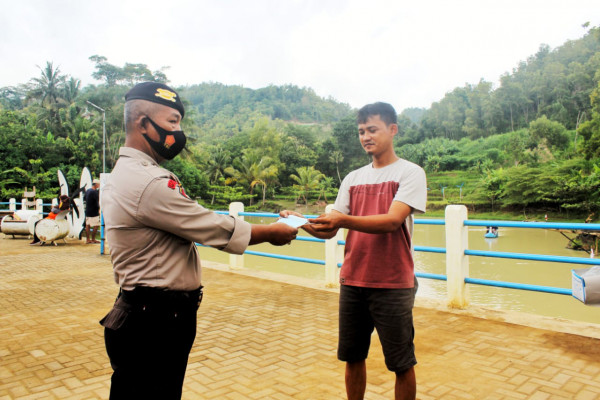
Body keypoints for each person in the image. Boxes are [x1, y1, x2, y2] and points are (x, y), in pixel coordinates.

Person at [100, 81, 298, 399]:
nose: (179, 132)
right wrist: (271, 232)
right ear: (142, 123)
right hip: (154, 321)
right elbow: (211, 227)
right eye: (172, 122)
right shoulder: (148, 181)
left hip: (143, 313)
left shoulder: (125, 173)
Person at [282, 102, 427, 400]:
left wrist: (341, 218)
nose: (365, 137)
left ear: (392, 130)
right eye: (361, 131)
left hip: (393, 283)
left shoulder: (410, 173)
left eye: (372, 129)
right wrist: (300, 223)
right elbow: (331, 230)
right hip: (353, 281)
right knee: (352, 356)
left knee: (401, 363)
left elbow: (392, 221)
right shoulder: (353, 178)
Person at [84, 179, 101, 244]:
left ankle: (88, 239)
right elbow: (96, 202)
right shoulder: (94, 192)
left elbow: (85, 198)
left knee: (88, 225)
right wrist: (98, 209)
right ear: (96, 184)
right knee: (96, 225)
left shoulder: (88, 190)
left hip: (88, 210)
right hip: (94, 211)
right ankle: (93, 239)